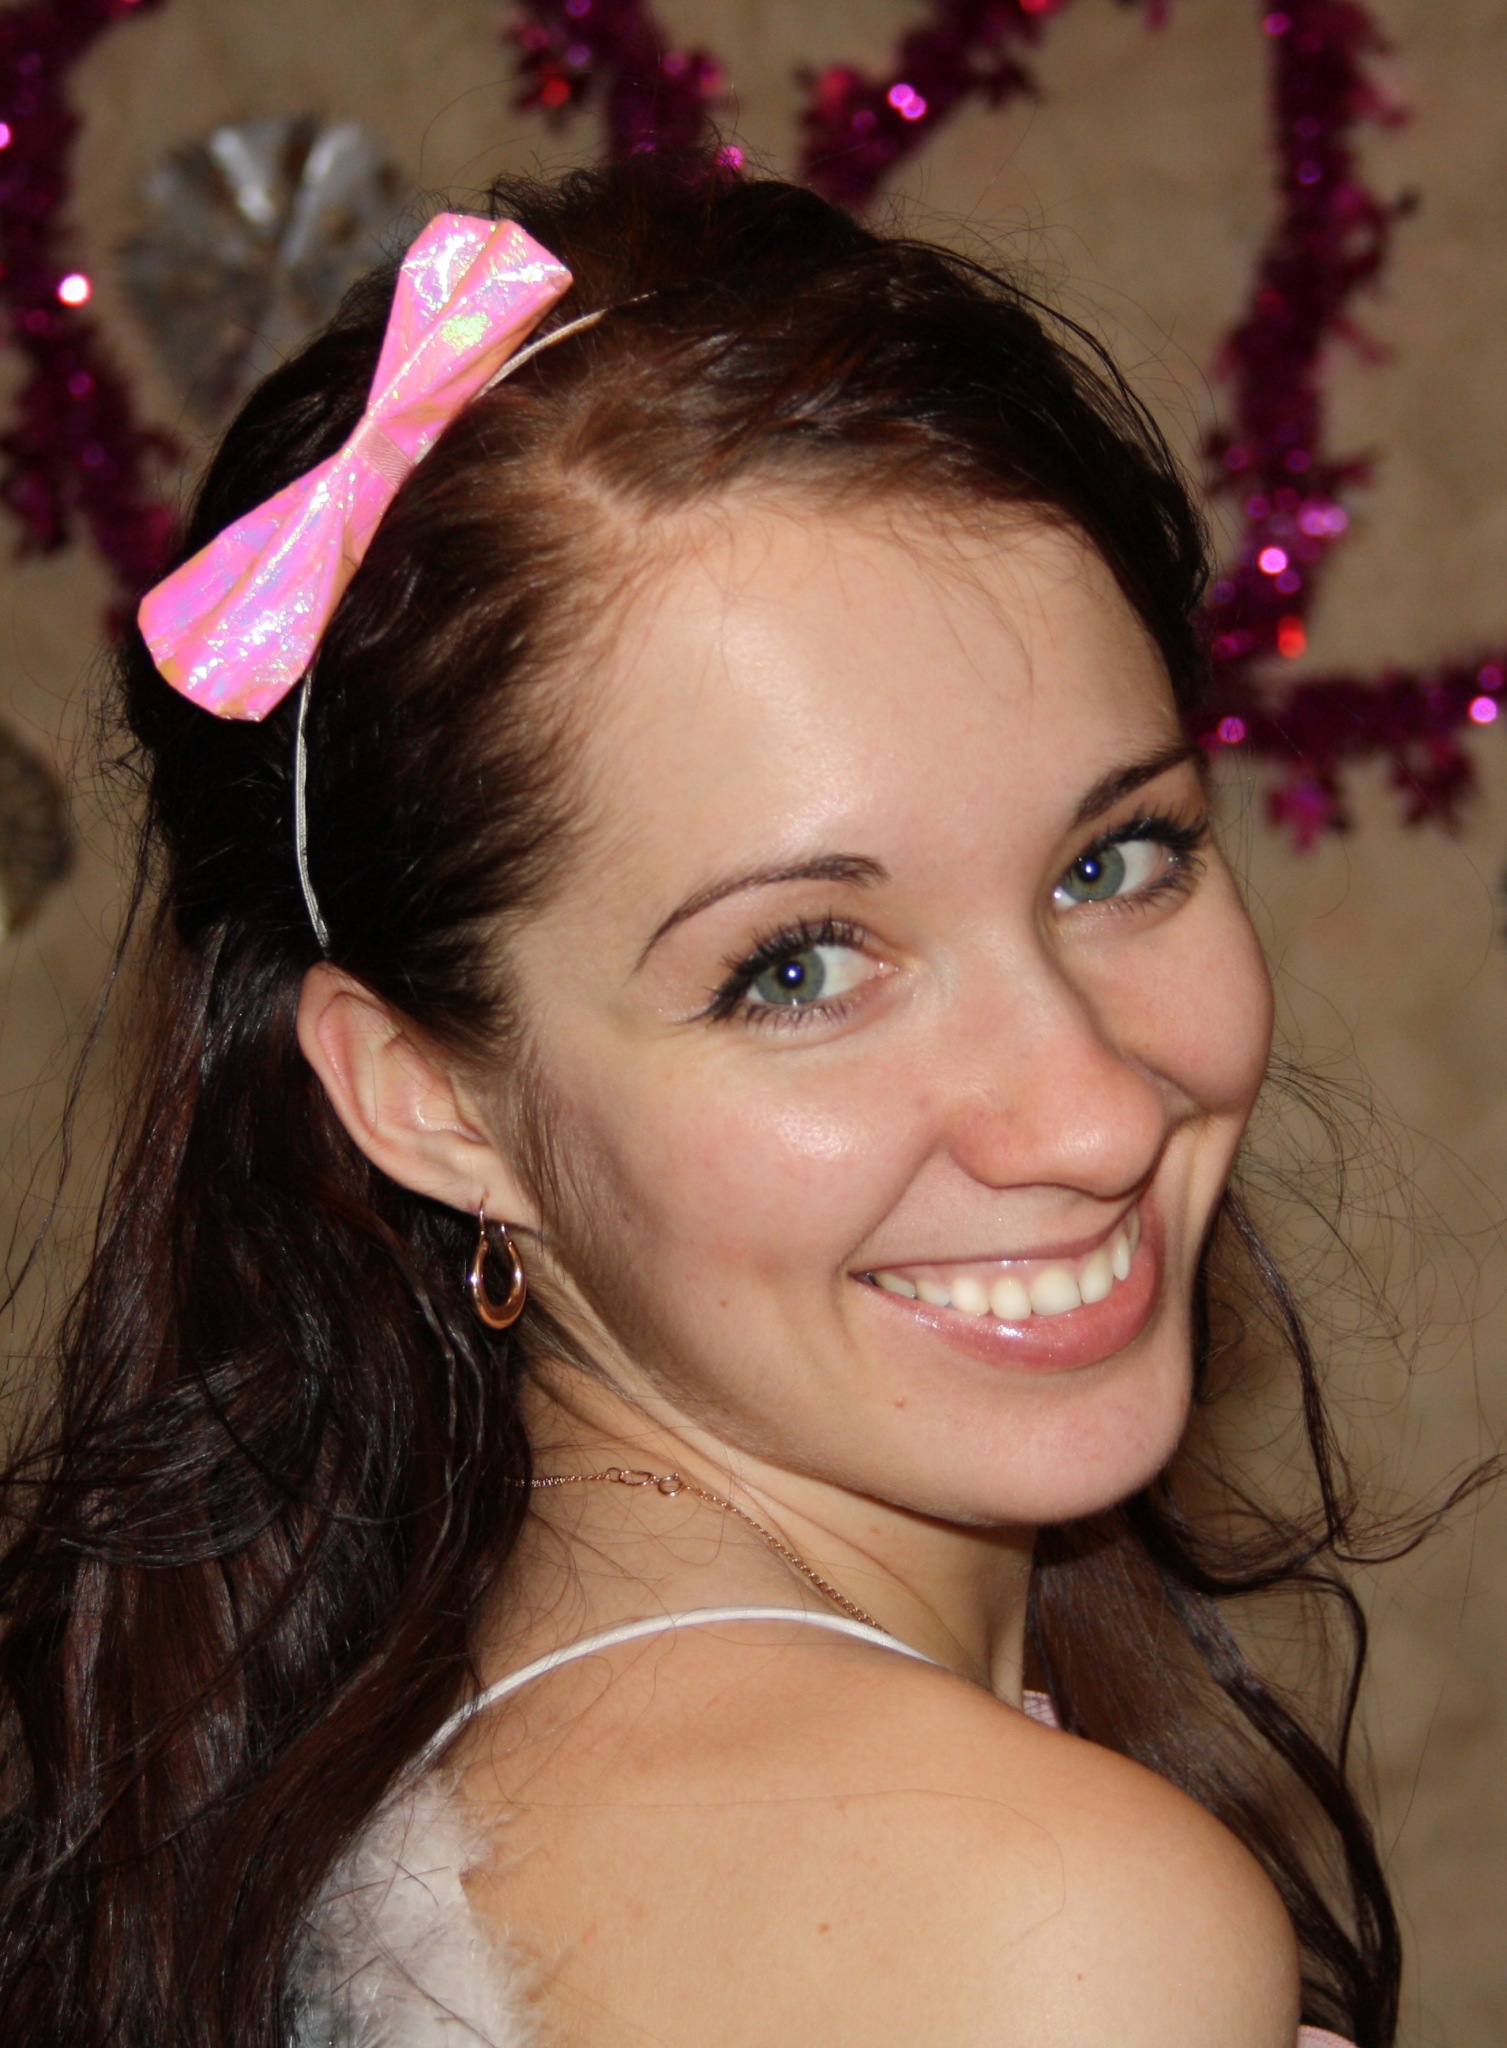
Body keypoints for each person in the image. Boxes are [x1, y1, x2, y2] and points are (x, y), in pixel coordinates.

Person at [0, 154, 1397, 2047]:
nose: (1090, 1115)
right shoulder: (1026, 1924)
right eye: (798, 967)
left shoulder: (406, 1765)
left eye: (1114, 860)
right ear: (429, 1098)